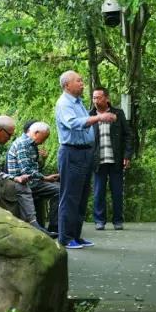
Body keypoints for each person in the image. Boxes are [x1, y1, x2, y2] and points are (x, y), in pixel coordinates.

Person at [54, 70, 115, 250]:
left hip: (85, 153)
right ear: (67, 85)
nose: (82, 84)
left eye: (82, 80)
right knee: (70, 196)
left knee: (81, 196)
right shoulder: (64, 103)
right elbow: (72, 123)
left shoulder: (78, 102)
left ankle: (76, 235)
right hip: (71, 152)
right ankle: (65, 238)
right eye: (78, 81)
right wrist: (99, 117)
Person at [6, 121, 61, 237]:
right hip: (23, 184)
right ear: (36, 133)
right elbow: (26, 171)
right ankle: (55, 227)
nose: (44, 141)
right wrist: (45, 178)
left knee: (59, 187)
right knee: (59, 191)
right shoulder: (23, 144)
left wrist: (43, 161)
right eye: (44, 138)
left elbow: (34, 168)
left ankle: (52, 228)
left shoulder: (31, 144)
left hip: (32, 182)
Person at [90, 87, 133, 231]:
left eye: (98, 97)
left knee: (117, 192)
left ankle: (118, 220)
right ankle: (99, 220)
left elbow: (128, 136)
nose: (95, 100)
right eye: (94, 98)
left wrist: (127, 155)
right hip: (97, 161)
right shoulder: (89, 115)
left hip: (116, 159)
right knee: (98, 192)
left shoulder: (118, 113)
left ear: (106, 98)